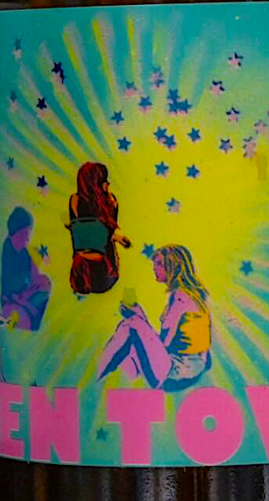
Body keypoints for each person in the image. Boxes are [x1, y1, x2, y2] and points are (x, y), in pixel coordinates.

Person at [96, 245, 211, 391]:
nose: (154, 268)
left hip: (177, 372)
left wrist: (139, 320)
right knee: (132, 338)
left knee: (130, 325)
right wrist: (141, 319)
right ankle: (114, 382)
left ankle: (97, 377)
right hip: (193, 370)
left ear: (173, 266)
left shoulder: (179, 296)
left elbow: (164, 343)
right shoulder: (195, 294)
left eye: (159, 264)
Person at [67, 162, 130, 295]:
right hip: (85, 271)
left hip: (105, 269)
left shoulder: (109, 201)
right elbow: (84, 232)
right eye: (103, 180)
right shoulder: (76, 200)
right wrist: (114, 236)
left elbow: (105, 230)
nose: (107, 184)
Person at [0, 207, 51, 331]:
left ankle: (32, 320)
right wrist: (27, 302)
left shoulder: (25, 253)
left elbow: (35, 276)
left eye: (29, 232)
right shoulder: (7, 251)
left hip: (25, 296)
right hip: (13, 301)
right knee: (10, 313)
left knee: (45, 281)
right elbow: (9, 293)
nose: (28, 237)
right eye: (25, 233)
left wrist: (37, 284)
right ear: (16, 232)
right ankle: (30, 321)